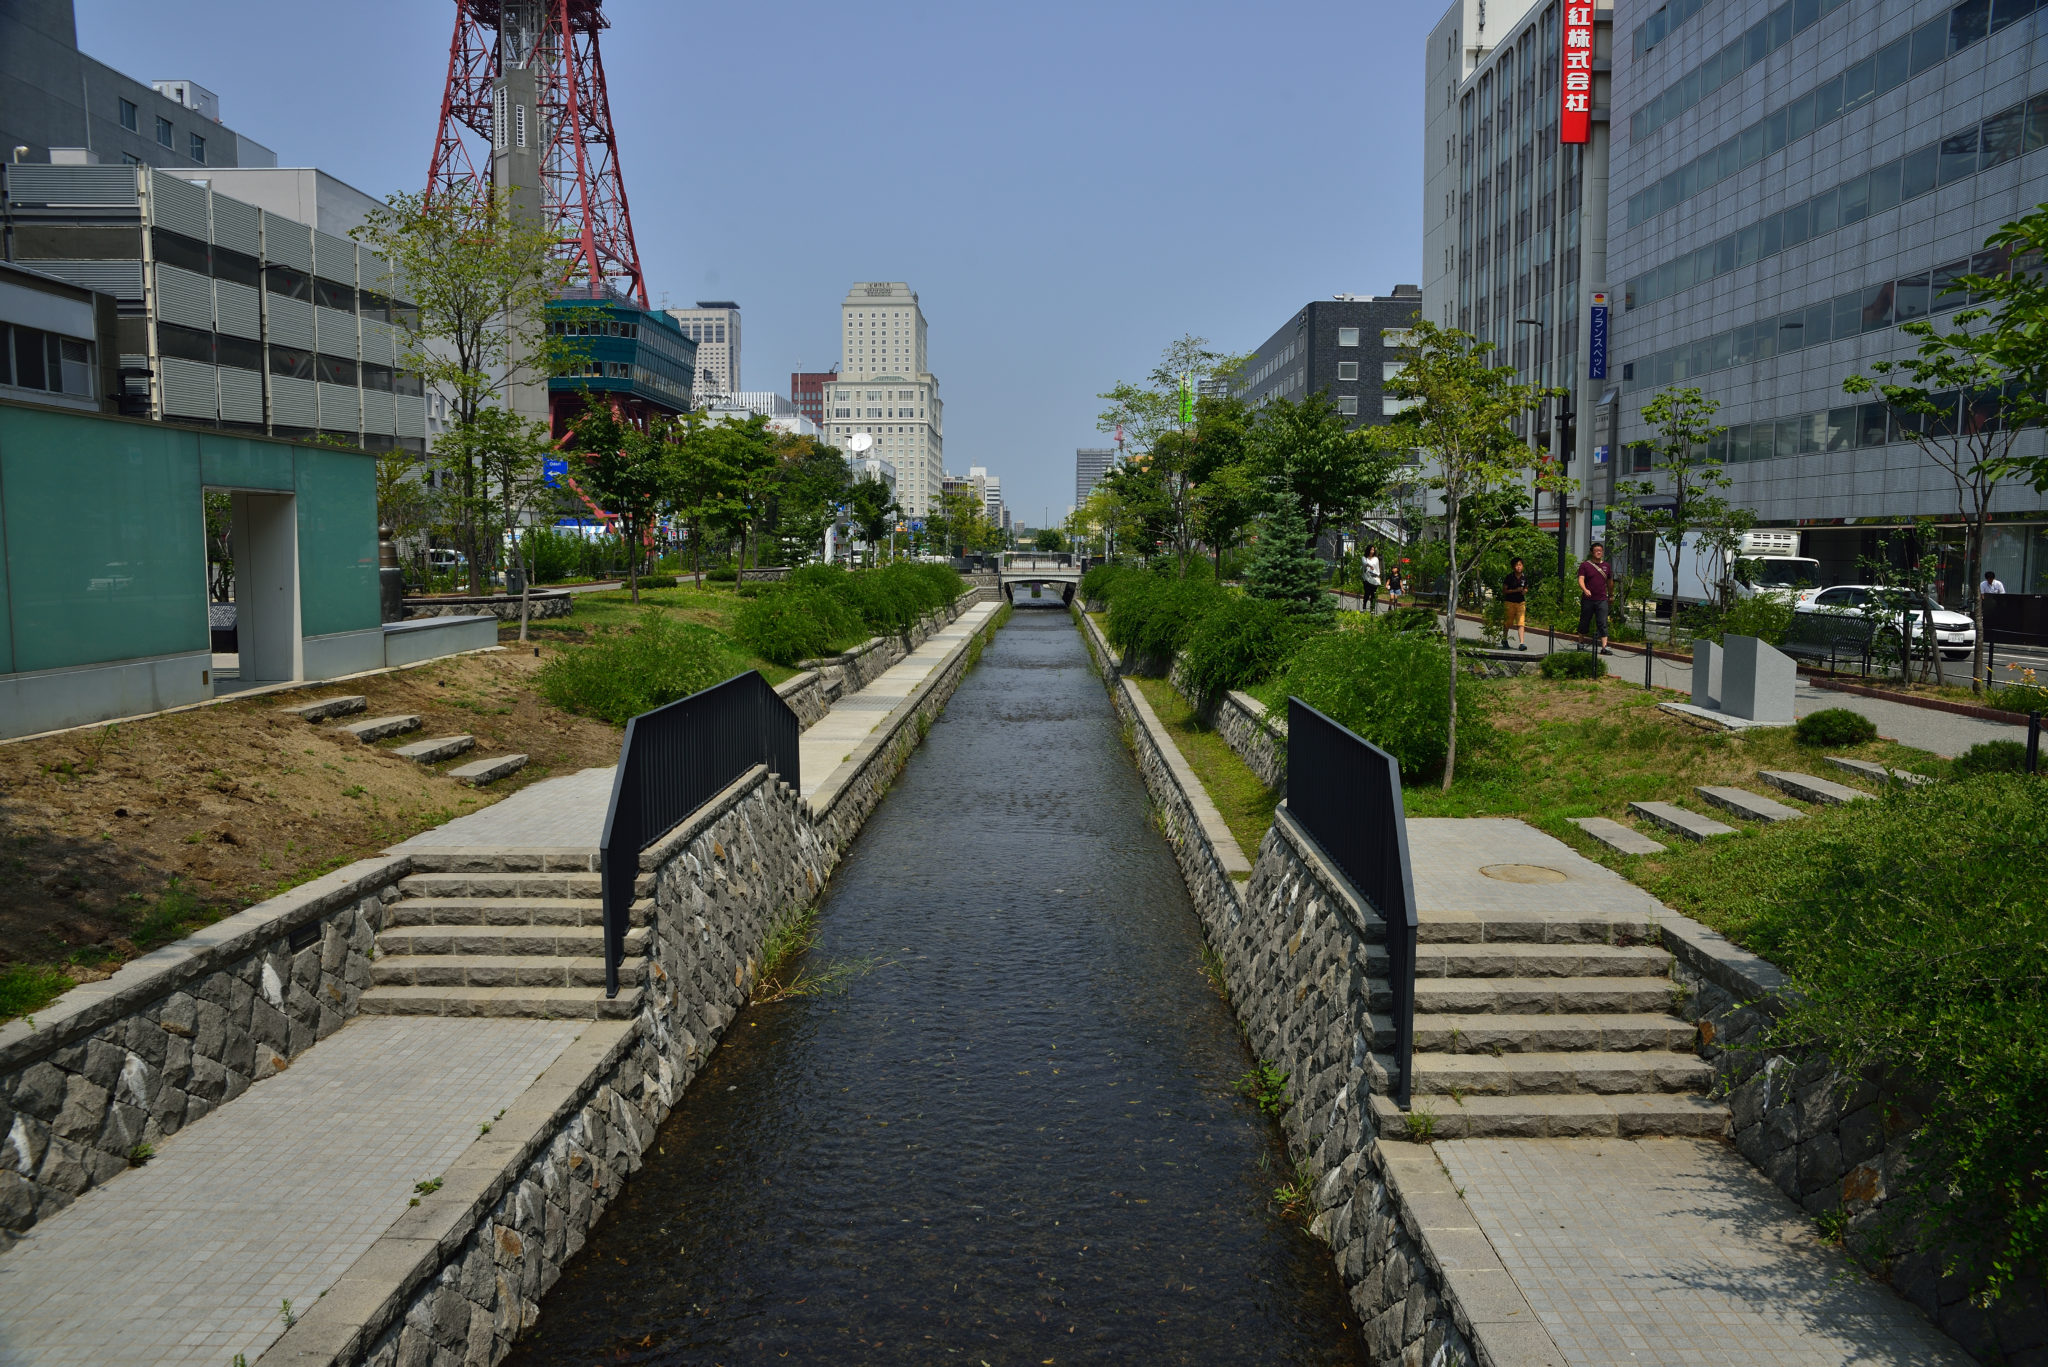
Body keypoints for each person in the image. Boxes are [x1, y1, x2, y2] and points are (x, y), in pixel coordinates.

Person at [1577, 543, 1613, 656]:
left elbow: (1610, 581)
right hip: (1588, 599)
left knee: (1602, 622)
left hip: (1602, 599)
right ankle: (1581, 642)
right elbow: (1581, 579)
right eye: (1596, 550)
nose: (1599, 552)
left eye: (1600, 550)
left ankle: (1604, 647)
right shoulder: (1585, 565)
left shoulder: (1607, 566)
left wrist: (1611, 595)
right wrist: (1584, 589)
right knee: (1584, 621)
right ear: (1592, 552)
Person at [1502, 557, 1530, 650]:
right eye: (1516, 565)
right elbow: (1504, 590)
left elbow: (1526, 587)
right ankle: (1504, 639)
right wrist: (1515, 590)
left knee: (1521, 622)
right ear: (1513, 567)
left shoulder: (1524, 577)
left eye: (1520, 565)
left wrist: (1524, 591)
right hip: (1510, 602)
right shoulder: (1509, 577)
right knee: (1508, 622)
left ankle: (1522, 643)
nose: (1519, 567)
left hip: (1521, 602)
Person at [1362, 543, 1384, 613]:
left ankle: (1372, 608)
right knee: (1367, 593)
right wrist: (1369, 565)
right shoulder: (1364, 558)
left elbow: (1377, 568)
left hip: (1374, 578)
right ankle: (1364, 607)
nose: (1372, 551)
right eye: (1371, 549)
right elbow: (1364, 563)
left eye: (1373, 550)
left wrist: (1378, 576)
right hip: (1366, 578)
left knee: (1373, 594)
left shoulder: (1376, 559)